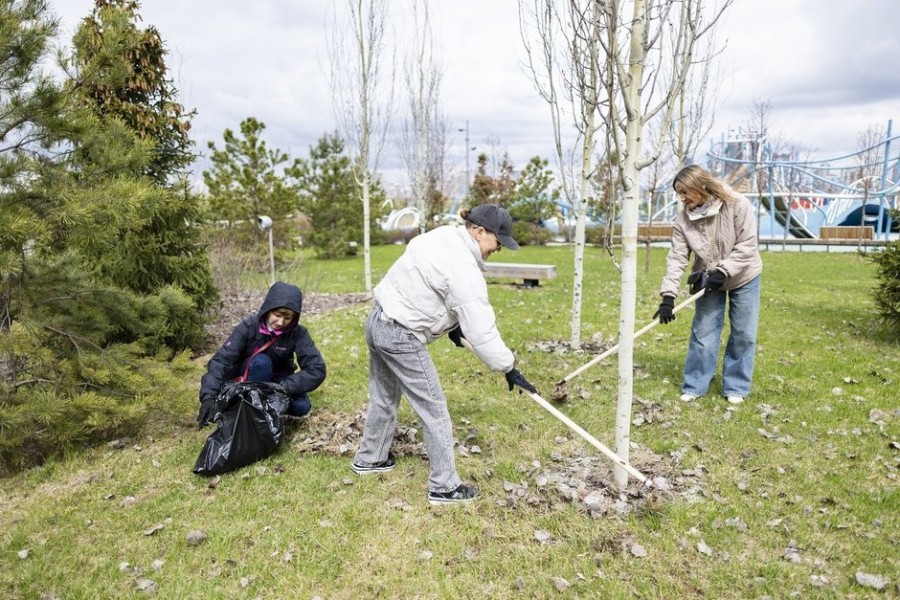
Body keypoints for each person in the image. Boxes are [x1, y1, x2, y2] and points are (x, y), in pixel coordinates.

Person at [351, 203, 538, 506]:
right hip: (401, 333)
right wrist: (508, 367)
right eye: (498, 242)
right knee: (434, 408)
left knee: (384, 397)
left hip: (378, 320)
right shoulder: (464, 268)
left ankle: (370, 459)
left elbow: (426, 285)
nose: (499, 249)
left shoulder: (441, 237)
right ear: (479, 232)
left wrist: (451, 326)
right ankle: (444, 486)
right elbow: (482, 332)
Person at [654, 164, 762, 405]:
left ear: (701, 187)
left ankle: (736, 386)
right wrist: (668, 296)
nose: (681, 199)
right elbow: (678, 256)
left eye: (684, 192)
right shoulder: (683, 217)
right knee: (703, 333)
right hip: (708, 278)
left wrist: (725, 270)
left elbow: (747, 245)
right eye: (678, 193)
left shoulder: (737, 203)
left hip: (744, 275)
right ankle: (695, 384)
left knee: (744, 333)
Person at [198, 281, 326, 426]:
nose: (280, 322)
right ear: (268, 309)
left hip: (276, 383)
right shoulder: (248, 326)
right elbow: (221, 361)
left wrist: (284, 387)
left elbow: (316, 369)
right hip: (248, 377)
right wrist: (208, 397)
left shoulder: (298, 333)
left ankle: (266, 406)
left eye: (287, 318)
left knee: (302, 406)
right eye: (277, 315)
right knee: (261, 362)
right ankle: (250, 408)